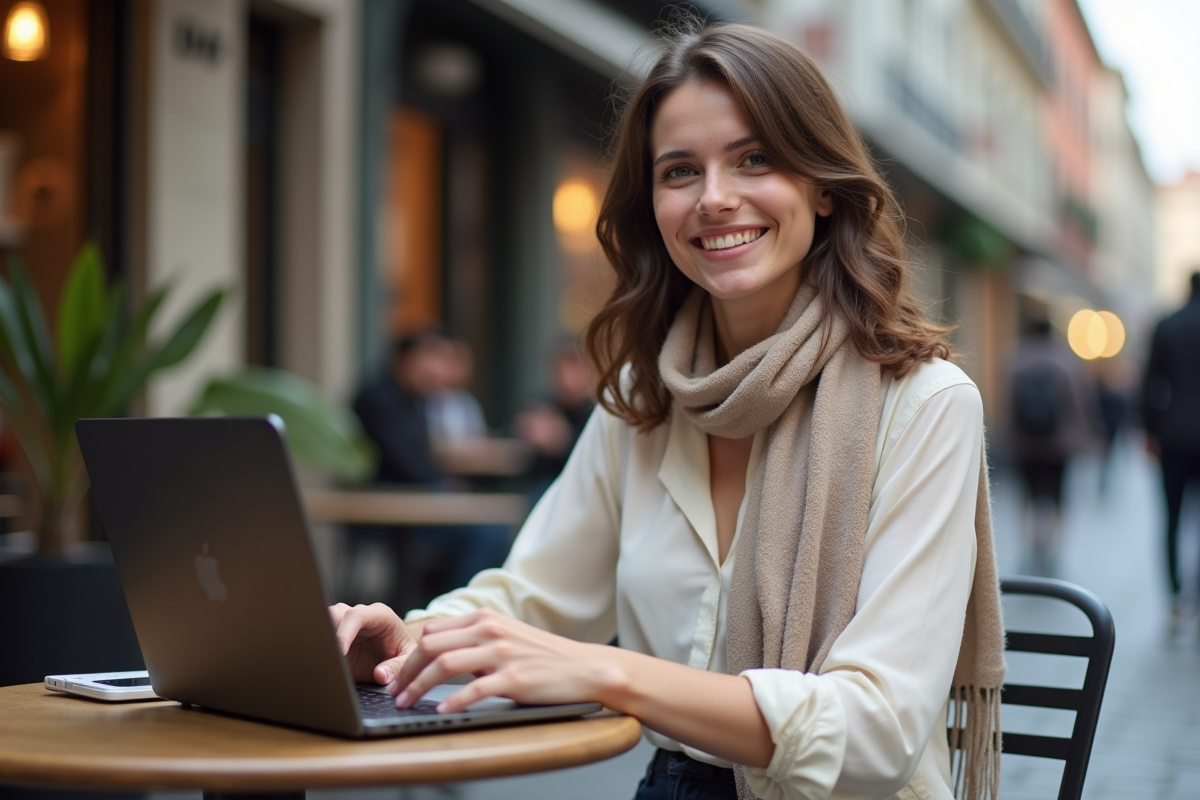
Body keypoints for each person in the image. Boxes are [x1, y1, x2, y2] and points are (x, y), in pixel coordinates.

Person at [331, 19, 1004, 800]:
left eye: (754, 159)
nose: (714, 198)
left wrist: (610, 673)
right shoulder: (643, 398)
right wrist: (407, 637)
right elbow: (533, 599)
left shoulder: (925, 405)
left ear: (823, 187)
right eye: (680, 171)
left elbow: (877, 731)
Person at [350, 330, 510, 606]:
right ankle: (458, 611)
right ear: (404, 360)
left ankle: (458, 605)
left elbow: (421, 459)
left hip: (413, 506)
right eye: (428, 359)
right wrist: (442, 481)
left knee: (491, 528)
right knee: (484, 532)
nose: (435, 370)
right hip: (384, 510)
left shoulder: (416, 400)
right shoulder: (379, 400)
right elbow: (407, 463)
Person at [1007, 314, 1102, 576]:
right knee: (1058, 499)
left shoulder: (1017, 358)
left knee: (1027, 498)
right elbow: (1080, 403)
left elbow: (1009, 405)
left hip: (1025, 444)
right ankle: (1052, 552)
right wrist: (1086, 438)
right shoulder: (1066, 360)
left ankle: (1031, 548)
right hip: (1059, 446)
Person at [1142, 271, 1200, 629]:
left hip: (1174, 435)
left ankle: (1175, 599)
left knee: (1172, 518)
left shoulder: (1167, 325)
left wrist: (1150, 431)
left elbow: (1150, 383)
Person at [516, 338, 596, 498]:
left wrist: (563, 440)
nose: (570, 378)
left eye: (577, 368)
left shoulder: (595, 413)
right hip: (545, 488)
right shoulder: (541, 407)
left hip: (583, 489)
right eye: (565, 369)